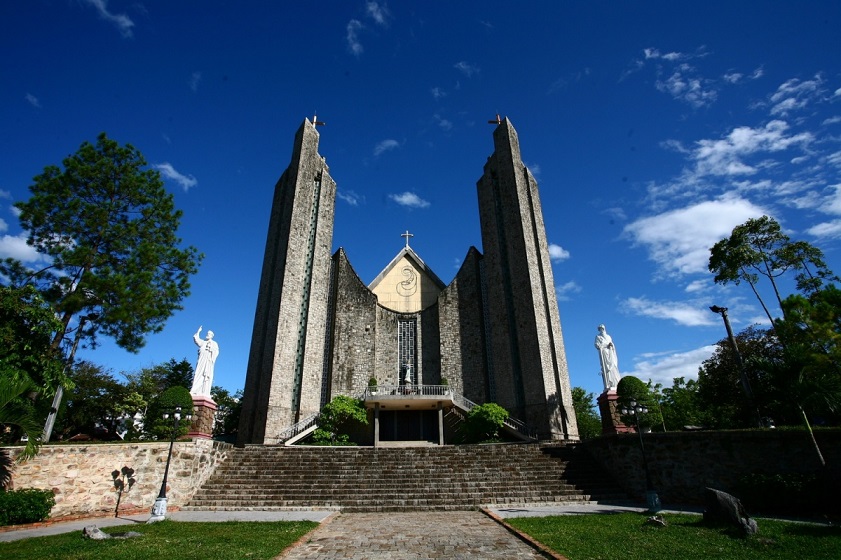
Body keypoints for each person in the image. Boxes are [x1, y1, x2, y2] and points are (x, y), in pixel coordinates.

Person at [190, 326, 219, 397]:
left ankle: (204, 391)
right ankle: (195, 390)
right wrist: (198, 332)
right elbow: (197, 340)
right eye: (207, 333)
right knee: (197, 374)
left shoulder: (214, 343)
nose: (207, 334)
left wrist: (211, 348)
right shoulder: (203, 342)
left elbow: (216, 351)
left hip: (208, 362)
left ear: (212, 336)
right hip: (201, 361)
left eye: (209, 334)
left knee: (206, 376)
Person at [594, 324, 621, 392]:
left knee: (613, 366)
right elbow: (596, 345)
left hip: (610, 352)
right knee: (606, 368)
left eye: (602, 328)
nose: (601, 330)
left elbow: (611, 343)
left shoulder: (608, 336)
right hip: (604, 353)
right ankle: (608, 383)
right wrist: (600, 346)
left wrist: (611, 345)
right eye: (600, 329)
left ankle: (615, 383)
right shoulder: (598, 337)